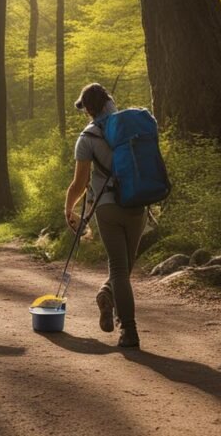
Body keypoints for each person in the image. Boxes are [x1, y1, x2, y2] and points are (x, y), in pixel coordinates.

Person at [64, 83, 147, 348]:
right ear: (110, 101)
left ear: (88, 109)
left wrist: (69, 208)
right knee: (126, 267)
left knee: (120, 270)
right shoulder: (133, 125)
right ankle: (109, 297)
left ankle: (129, 331)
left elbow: (79, 184)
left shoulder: (87, 138)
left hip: (107, 208)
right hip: (138, 203)